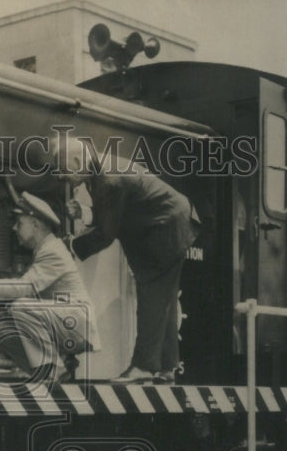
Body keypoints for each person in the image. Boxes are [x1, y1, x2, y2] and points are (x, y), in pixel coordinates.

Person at [51, 136, 200, 384]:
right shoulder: (101, 170)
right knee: (165, 299)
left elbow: (106, 234)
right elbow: (116, 212)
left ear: (78, 160)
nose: (61, 178)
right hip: (170, 224)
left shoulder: (108, 179)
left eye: (63, 171)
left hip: (165, 229)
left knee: (151, 294)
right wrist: (87, 214)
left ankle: (143, 367)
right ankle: (167, 367)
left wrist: (69, 247)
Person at [0, 191, 101, 383]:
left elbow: (24, 288)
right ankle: (58, 367)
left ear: (35, 225)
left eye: (20, 223)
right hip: (66, 322)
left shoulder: (52, 250)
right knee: (0, 329)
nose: (14, 228)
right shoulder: (43, 250)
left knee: (21, 307)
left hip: (77, 323)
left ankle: (53, 368)